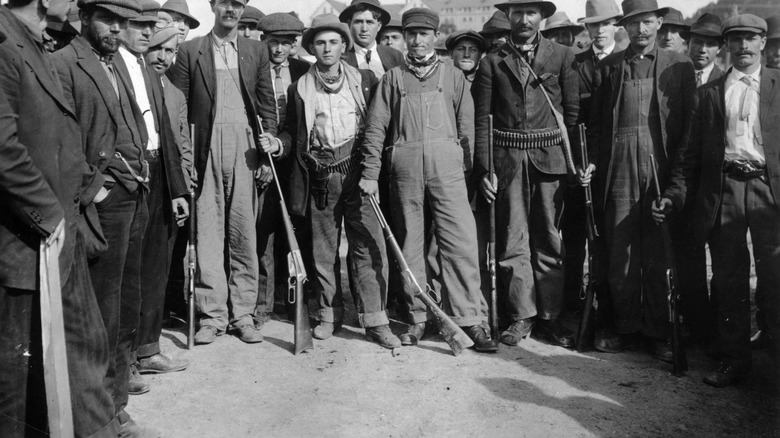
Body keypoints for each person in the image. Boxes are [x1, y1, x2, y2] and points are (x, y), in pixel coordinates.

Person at [0, 0, 124, 435]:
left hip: (62, 224)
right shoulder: (3, 43)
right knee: (14, 380)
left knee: (82, 346)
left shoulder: (36, 41)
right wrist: (48, 214)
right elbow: (3, 148)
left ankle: (102, 427)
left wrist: (83, 195)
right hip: (27, 235)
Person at [53, 0, 167, 434]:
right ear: (85, 17)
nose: (117, 30)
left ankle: (116, 403)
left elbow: (131, 125)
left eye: (123, 22)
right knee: (100, 311)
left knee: (125, 304)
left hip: (135, 195)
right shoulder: (65, 63)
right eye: (108, 20)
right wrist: (95, 190)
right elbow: (63, 140)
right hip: (102, 204)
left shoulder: (116, 61)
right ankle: (98, 415)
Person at [359, 8, 499, 353]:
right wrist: (369, 174)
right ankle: (418, 317)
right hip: (404, 171)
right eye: (411, 34)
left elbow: (468, 128)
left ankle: (471, 320)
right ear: (404, 38)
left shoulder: (454, 77)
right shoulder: (392, 79)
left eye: (424, 34)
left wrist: (468, 171)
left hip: (449, 172)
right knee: (411, 246)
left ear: (435, 38)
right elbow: (376, 129)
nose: (417, 41)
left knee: (461, 243)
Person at [655, 14, 780, 387]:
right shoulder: (711, 93)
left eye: (751, 39)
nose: (743, 46)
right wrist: (674, 196)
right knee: (728, 278)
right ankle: (734, 358)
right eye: (736, 40)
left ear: (763, 43)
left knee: (774, 275)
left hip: (769, 192)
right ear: (727, 45)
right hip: (725, 189)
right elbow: (688, 155)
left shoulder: (777, 85)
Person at [277, 14, 400, 349]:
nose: (327, 48)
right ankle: (329, 316)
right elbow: (293, 131)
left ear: (344, 46)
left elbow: (379, 127)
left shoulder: (364, 79)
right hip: (320, 174)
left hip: (359, 172)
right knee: (323, 250)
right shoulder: (299, 88)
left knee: (368, 245)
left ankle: (376, 319)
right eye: (320, 42)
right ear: (312, 47)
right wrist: (280, 144)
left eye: (333, 42)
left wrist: (372, 171)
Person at [584, 0, 695, 361]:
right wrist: (594, 166)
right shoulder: (610, 67)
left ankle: (659, 332)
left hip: (659, 165)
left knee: (658, 252)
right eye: (633, 24)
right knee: (621, 252)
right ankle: (626, 328)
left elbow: (687, 133)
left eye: (647, 22)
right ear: (624, 27)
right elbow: (599, 126)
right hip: (618, 166)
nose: (640, 31)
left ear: (659, 22)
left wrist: (676, 184)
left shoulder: (679, 67)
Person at [170, 0, 279, 345]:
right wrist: (186, 162)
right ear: (213, 6)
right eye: (224, 3)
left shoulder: (256, 50)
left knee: (244, 231)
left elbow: (266, 105)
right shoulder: (191, 50)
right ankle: (212, 315)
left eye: (237, 3)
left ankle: (243, 314)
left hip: (245, 148)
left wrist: (267, 151)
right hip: (205, 148)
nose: (230, 9)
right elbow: (179, 109)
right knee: (208, 233)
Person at [474, 0, 578, 349]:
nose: (523, 19)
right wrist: (487, 169)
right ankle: (521, 316)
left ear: (541, 16)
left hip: (550, 160)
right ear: (509, 17)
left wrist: (575, 163)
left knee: (549, 238)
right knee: (512, 239)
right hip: (507, 162)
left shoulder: (562, 56)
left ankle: (550, 317)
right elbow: (482, 120)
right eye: (517, 12)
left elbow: (573, 114)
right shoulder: (493, 60)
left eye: (530, 12)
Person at [116, 1, 191, 391]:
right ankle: (123, 360)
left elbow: (169, 138)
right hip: (130, 173)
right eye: (139, 26)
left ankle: (148, 349)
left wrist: (178, 189)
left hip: (160, 170)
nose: (147, 37)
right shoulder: (115, 65)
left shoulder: (157, 78)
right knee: (128, 270)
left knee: (156, 263)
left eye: (154, 29)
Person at [561, 0, 622, 328]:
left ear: (616, 26)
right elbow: (570, 120)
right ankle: (572, 313)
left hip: (613, 170)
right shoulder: (574, 64)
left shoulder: (625, 63)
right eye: (593, 25)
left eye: (605, 24)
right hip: (578, 168)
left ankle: (608, 316)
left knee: (608, 245)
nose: (599, 31)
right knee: (573, 245)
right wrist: (577, 166)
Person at [670, 12, 723, 345]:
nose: (702, 49)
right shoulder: (674, 76)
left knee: (723, 261)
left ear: (719, 49)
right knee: (687, 259)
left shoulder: (725, 80)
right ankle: (695, 326)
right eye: (697, 42)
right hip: (683, 182)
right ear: (688, 43)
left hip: (717, 186)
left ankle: (720, 328)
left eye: (710, 44)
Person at [255, 11, 309, 324]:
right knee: (264, 229)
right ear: (263, 41)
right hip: (263, 160)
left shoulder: (304, 70)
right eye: (273, 42)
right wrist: (264, 157)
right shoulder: (252, 69)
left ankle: (296, 300)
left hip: (297, 162)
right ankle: (262, 305)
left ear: (293, 45)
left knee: (296, 230)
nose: (278, 49)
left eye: (286, 43)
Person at [340, 0, 404, 79]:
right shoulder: (342, 57)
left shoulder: (394, 56)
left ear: (379, 25)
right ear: (350, 25)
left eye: (369, 22)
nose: (364, 29)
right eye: (358, 22)